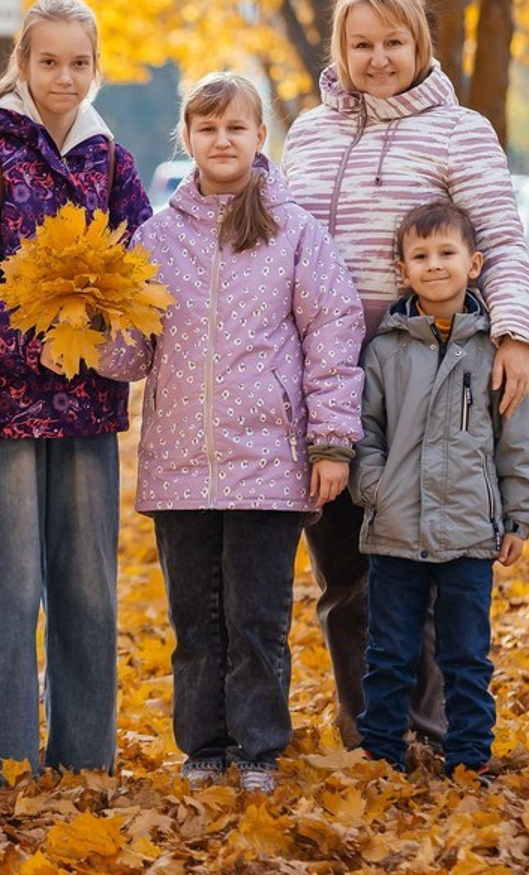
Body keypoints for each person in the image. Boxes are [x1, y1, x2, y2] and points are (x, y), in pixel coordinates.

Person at [282, 0, 529, 750]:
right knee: (341, 565)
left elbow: (500, 234)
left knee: (417, 552)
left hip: (422, 365)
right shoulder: (307, 132)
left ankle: (426, 727)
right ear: (341, 49)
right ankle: (370, 727)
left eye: (394, 42)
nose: (378, 58)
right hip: (319, 369)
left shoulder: (461, 131)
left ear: (418, 45)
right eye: (362, 44)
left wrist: (515, 334)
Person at [98, 73, 365, 794]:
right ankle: (204, 748)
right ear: (187, 138)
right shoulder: (155, 238)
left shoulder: (296, 232)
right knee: (195, 621)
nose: (222, 140)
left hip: (269, 464)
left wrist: (332, 444)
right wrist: (95, 319)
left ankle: (257, 748)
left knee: (255, 617)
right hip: (181, 464)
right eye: (207, 128)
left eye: (236, 128)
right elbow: (129, 357)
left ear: (259, 138)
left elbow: (333, 338)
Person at [0, 0, 151, 790]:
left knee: (89, 588)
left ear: (95, 66)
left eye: (79, 62)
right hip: (4, 406)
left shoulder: (112, 161)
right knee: (11, 592)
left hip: (89, 408)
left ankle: (86, 755)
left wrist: (113, 349)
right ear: (22, 64)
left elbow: (145, 268)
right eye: (49, 61)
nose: (64, 77)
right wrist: (41, 347)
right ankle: (6, 761)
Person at [351, 199, 529, 775]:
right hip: (396, 528)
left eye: (447, 253)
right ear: (402, 271)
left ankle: (470, 757)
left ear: (474, 262)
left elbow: (515, 440)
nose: (434, 265)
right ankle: (381, 755)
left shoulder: (494, 352)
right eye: (420, 256)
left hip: (468, 532)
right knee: (388, 654)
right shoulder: (384, 349)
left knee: (465, 656)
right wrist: (374, 487)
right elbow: (366, 430)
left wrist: (518, 515)